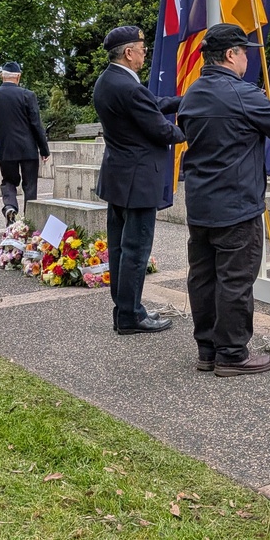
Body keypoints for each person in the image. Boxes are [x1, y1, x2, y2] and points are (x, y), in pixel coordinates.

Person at [178, 23, 270, 377]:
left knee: (203, 278)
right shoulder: (241, 93)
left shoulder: (192, 93)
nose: (248, 58)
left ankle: (208, 351)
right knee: (235, 280)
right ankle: (231, 355)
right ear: (231, 55)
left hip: (200, 203)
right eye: (244, 51)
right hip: (236, 204)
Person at [93, 25, 185, 335]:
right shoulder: (129, 87)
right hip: (139, 181)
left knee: (120, 249)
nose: (145, 54)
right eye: (142, 50)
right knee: (136, 250)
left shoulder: (108, 80)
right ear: (129, 53)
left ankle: (124, 311)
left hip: (119, 178)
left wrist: (182, 100)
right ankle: (131, 316)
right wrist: (194, 127)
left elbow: (150, 104)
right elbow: (161, 130)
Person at [0, 61, 51, 225]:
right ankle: (30, 222)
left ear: (2, 76)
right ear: (18, 76)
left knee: (8, 181)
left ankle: (10, 207)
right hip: (28, 148)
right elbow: (36, 124)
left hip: (6, 148)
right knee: (30, 185)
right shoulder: (28, 95)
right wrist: (44, 150)